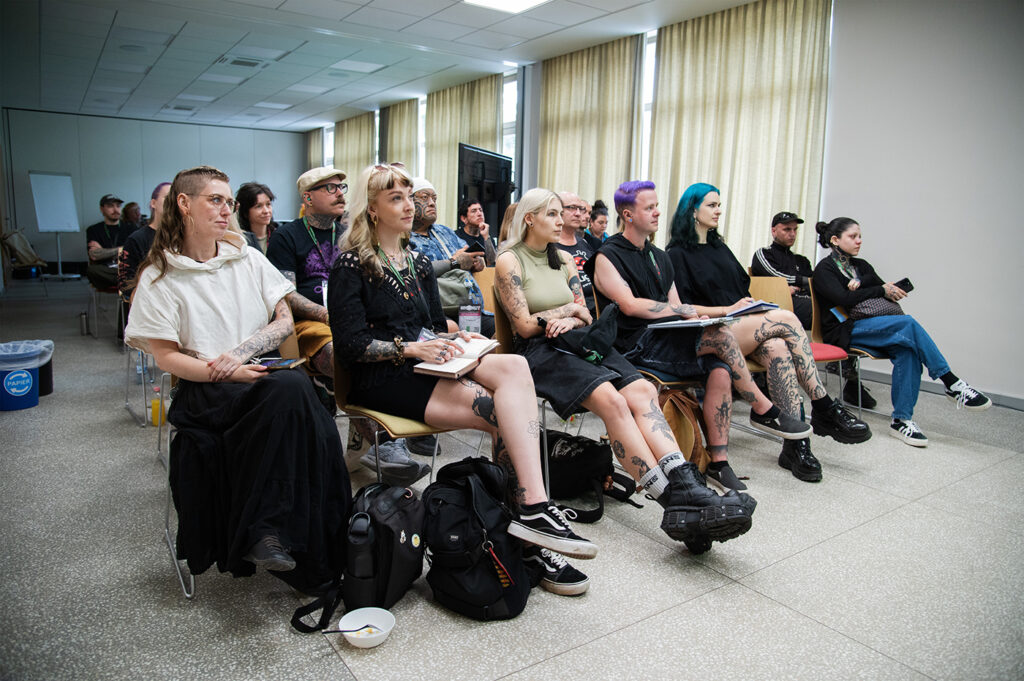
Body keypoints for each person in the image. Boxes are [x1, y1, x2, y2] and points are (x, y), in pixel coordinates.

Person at [328, 163, 597, 595]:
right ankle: (526, 537)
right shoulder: (351, 265)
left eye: (409, 197)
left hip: (427, 360)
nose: (409, 206)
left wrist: (457, 336)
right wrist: (411, 348)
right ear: (372, 209)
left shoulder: (417, 261)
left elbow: (433, 327)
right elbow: (349, 345)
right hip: (382, 377)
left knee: (514, 366)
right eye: (396, 198)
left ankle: (532, 509)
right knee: (500, 413)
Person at [124, 165, 351, 594]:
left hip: (255, 373)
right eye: (215, 200)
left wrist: (239, 357)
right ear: (184, 204)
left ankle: (284, 537)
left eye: (229, 202)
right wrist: (224, 369)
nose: (226, 210)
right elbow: (166, 358)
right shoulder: (160, 275)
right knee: (295, 393)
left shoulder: (246, 257)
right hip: (204, 387)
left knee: (306, 404)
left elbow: (284, 320)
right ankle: (291, 543)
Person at [497, 188, 756, 556]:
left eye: (559, 213)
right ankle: (672, 501)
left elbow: (586, 314)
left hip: (580, 339)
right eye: (552, 214)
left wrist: (571, 316)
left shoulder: (564, 259)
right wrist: (565, 313)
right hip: (540, 351)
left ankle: (686, 485)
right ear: (529, 219)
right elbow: (524, 326)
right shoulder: (510, 260)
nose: (561, 220)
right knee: (612, 401)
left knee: (643, 391)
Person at [592, 180, 813, 489]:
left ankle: (719, 463)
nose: (658, 212)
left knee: (720, 370)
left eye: (657, 206)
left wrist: (711, 314)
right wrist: (687, 313)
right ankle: (763, 408)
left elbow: (677, 306)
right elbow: (630, 305)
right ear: (628, 215)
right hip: (636, 345)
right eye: (649, 208)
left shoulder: (659, 256)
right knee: (720, 336)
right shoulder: (607, 255)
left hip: (667, 338)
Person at [665, 182, 871, 482]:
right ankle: (823, 404)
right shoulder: (676, 254)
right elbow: (682, 307)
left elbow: (740, 287)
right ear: (692, 210)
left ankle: (797, 447)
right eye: (711, 205)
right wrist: (730, 308)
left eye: (719, 204)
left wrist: (748, 305)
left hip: (741, 325)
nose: (718, 210)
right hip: (711, 331)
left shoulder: (720, 247)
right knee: (786, 318)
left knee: (778, 349)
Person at [268, 166, 424, 482]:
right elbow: (285, 294)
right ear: (307, 198)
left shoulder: (352, 231)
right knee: (342, 352)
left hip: (360, 316)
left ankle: (367, 434)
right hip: (312, 323)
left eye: (342, 186)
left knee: (387, 343)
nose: (340, 193)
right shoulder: (287, 236)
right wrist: (328, 314)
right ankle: (382, 440)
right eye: (329, 188)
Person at [812, 217, 990, 447]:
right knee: (907, 323)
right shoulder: (824, 269)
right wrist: (877, 289)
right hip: (843, 330)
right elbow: (844, 298)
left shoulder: (861, 266)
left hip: (872, 326)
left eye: (860, 236)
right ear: (836, 240)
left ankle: (901, 420)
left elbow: (881, 286)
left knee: (907, 350)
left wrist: (864, 283)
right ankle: (951, 382)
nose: (859, 241)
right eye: (853, 236)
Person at [751, 211, 877, 408]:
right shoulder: (763, 254)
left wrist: (798, 285)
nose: (792, 234)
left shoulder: (802, 260)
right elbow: (776, 277)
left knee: (842, 313)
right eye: (786, 229)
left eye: (795, 230)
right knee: (834, 315)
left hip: (806, 304)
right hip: (779, 307)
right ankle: (848, 373)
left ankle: (849, 376)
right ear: (774, 231)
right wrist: (792, 285)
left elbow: (816, 284)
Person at [408, 177, 494, 337]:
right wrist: (454, 262)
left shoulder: (444, 231)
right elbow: (414, 272)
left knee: (499, 328)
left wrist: (475, 261)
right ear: (409, 202)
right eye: (425, 197)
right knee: (453, 329)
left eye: (434, 199)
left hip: (464, 303)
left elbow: (467, 254)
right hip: (434, 309)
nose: (432, 203)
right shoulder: (405, 237)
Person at [118, 182, 170, 300]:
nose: (172, 202)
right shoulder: (137, 239)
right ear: (153, 203)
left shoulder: (185, 237)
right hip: (150, 300)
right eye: (167, 198)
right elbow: (126, 284)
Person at [554, 191, 596, 316]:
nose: (578, 214)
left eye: (581, 209)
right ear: (558, 211)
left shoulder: (584, 243)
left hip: (597, 308)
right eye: (572, 208)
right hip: (571, 313)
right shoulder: (550, 247)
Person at [85, 194, 131, 289]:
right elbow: (94, 255)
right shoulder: (94, 230)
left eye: (118, 206)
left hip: (126, 267)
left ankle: (125, 280)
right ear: (102, 209)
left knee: (138, 269)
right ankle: (127, 281)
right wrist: (122, 249)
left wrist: (104, 251)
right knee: (92, 270)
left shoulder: (131, 228)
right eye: (110, 206)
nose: (115, 210)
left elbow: (135, 252)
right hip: (106, 269)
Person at [235, 181, 278, 254]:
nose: (266, 211)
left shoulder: (280, 234)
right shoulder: (238, 239)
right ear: (245, 212)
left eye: (268, 204)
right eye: (258, 206)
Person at [455, 198, 496, 266]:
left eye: (480, 210)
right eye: (474, 211)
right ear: (464, 218)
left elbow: (492, 262)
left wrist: (486, 237)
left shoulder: (487, 238)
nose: (479, 214)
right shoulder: (455, 236)